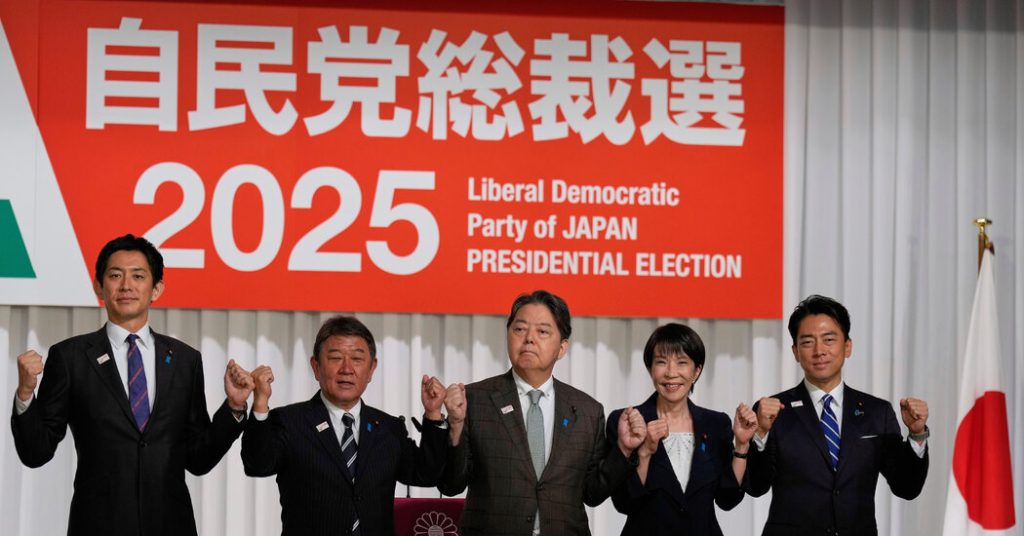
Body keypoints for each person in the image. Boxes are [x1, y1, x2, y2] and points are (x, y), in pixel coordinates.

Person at [11, 234, 253, 536]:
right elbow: (36, 452)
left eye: (138, 276)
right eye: (115, 275)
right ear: (99, 286)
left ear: (156, 289)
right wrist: (25, 393)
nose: (126, 285)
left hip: (170, 525)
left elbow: (198, 458)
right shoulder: (70, 357)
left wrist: (234, 407)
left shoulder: (184, 360)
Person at [439, 289, 647, 536]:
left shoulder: (587, 411)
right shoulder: (474, 400)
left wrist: (623, 450)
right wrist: (456, 425)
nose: (529, 339)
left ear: (562, 348)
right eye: (519, 329)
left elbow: (592, 493)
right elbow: (451, 484)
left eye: (542, 331)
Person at [241, 315, 450, 536]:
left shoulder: (389, 428)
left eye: (357, 359)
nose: (347, 369)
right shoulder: (290, 421)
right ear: (316, 366)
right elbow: (257, 464)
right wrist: (260, 402)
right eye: (335, 358)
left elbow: (426, 475)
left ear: (372, 369)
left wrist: (433, 414)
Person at [746, 294, 930, 535]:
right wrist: (760, 433)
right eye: (808, 342)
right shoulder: (772, 411)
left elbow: (906, 487)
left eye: (829, 340)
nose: (819, 351)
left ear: (847, 346)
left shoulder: (877, 412)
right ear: (795, 352)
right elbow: (756, 486)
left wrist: (917, 434)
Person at [607, 323, 757, 535]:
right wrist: (645, 452)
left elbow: (727, 499)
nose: (671, 373)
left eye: (682, 362)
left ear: (697, 371)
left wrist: (741, 446)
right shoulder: (626, 422)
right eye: (661, 362)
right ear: (650, 369)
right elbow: (625, 503)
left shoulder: (716, 424)